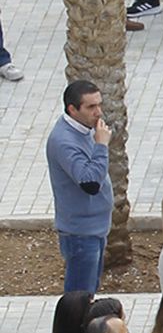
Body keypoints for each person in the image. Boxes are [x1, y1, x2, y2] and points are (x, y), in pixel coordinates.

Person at [46, 78, 114, 294]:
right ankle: (74, 329)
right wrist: (101, 146)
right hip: (80, 234)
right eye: (91, 107)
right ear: (72, 109)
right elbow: (90, 183)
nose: (99, 112)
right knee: (80, 297)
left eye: (99, 104)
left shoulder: (86, 129)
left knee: (89, 292)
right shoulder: (64, 141)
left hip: (95, 228)